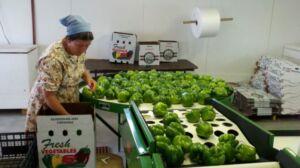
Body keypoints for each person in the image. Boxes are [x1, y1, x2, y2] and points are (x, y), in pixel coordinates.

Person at [25, 15, 97, 132]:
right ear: (68, 40)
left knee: (68, 143)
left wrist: (88, 78)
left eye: (87, 45)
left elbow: (79, 66)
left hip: (68, 101)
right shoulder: (53, 59)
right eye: (80, 45)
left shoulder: (78, 48)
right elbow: (49, 95)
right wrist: (68, 118)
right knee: (48, 142)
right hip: (49, 107)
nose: (84, 50)